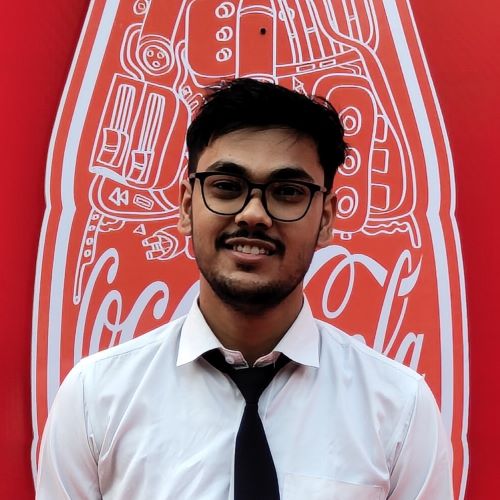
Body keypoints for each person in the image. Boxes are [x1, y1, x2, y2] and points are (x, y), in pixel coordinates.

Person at [36, 78, 453, 499]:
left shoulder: (399, 408)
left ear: (326, 218)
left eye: (287, 192)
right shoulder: (95, 398)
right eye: (227, 186)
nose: (254, 214)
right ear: (187, 206)